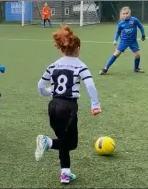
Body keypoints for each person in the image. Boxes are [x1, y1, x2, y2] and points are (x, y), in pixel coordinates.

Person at [35, 26, 102, 184]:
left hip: (53, 106)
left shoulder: (53, 65)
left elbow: (40, 86)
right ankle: (46, 141)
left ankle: (65, 173)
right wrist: (95, 104)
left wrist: (50, 93)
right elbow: (90, 85)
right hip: (68, 108)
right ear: (77, 48)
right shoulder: (80, 65)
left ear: (61, 49)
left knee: (63, 139)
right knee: (71, 143)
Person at [99, 6, 146, 75]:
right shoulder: (120, 23)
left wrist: (143, 35)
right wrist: (115, 40)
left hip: (133, 41)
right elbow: (118, 32)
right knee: (116, 54)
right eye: (123, 13)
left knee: (138, 55)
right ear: (121, 14)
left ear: (129, 13)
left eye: (127, 13)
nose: (125, 15)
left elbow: (141, 27)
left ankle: (136, 68)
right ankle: (105, 68)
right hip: (124, 41)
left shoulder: (134, 20)